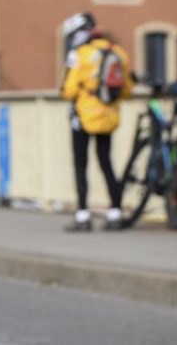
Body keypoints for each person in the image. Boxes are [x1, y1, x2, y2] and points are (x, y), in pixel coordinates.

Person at [61, 13, 134, 232]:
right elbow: (127, 89)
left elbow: (69, 90)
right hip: (108, 116)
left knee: (81, 164)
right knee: (106, 163)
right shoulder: (118, 53)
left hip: (83, 116)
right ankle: (115, 212)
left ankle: (83, 215)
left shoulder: (80, 54)